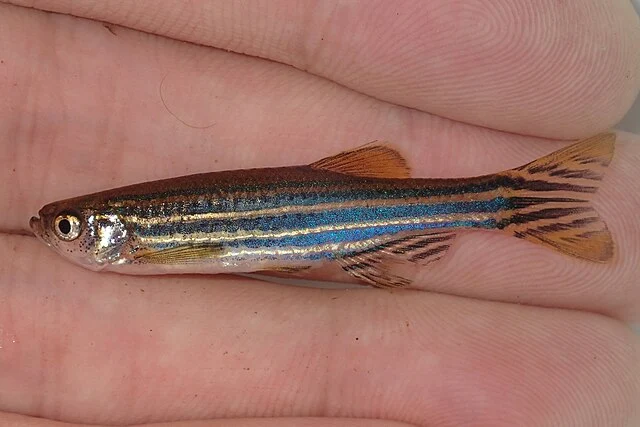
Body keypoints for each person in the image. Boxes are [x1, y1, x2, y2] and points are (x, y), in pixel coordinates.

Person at [1, 1, 639, 426]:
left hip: (337, 218)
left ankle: (509, 201)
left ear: (114, 229)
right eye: (65, 227)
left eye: (67, 227)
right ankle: (509, 202)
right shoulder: (134, 235)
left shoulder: (139, 245)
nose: (58, 233)